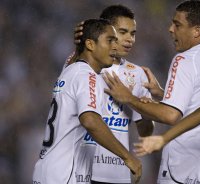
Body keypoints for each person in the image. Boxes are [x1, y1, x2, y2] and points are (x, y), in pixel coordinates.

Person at [103, 0, 200, 183]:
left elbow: (170, 116)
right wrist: (162, 93)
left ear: (196, 30)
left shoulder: (185, 59)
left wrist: (129, 98)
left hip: (184, 164)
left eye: (177, 25)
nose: (171, 29)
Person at [32, 19, 141, 184]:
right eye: (110, 40)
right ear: (90, 44)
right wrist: (127, 157)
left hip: (48, 170)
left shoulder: (70, 70)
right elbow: (90, 120)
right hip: (65, 174)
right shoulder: (86, 75)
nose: (115, 46)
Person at [73, 5, 154, 184]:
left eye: (133, 33)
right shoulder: (84, 66)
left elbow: (145, 133)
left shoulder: (138, 74)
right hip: (82, 171)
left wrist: (142, 108)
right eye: (123, 32)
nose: (129, 39)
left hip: (119, 174)